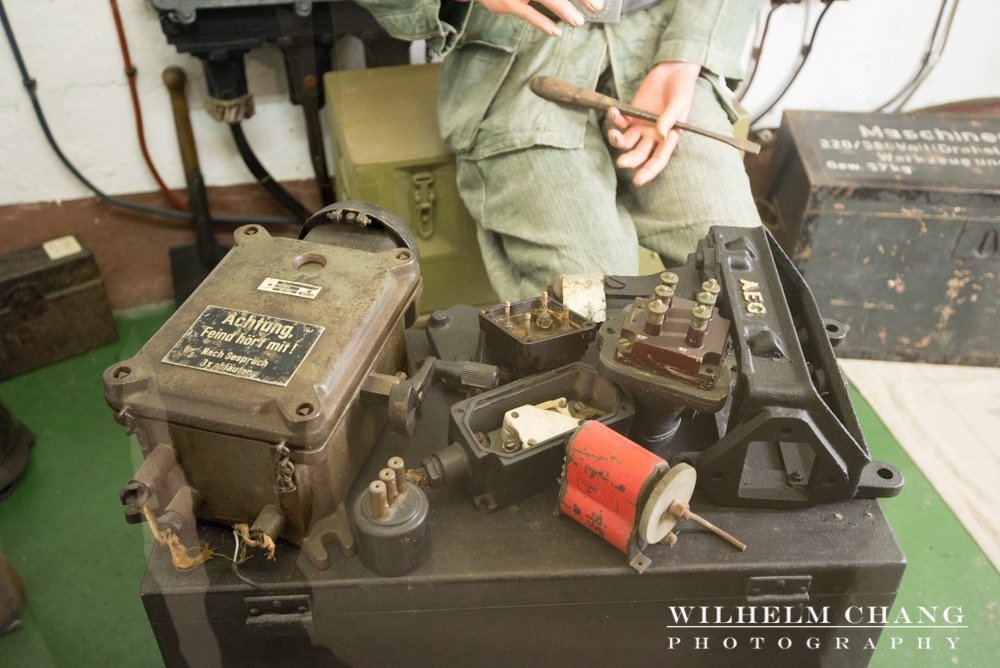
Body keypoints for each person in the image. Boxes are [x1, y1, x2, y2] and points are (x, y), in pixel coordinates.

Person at [358, 0, 761, 298]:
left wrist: (688, 54)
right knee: (584, 311)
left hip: (668, 44)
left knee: (750, 285)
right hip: (518, 62)